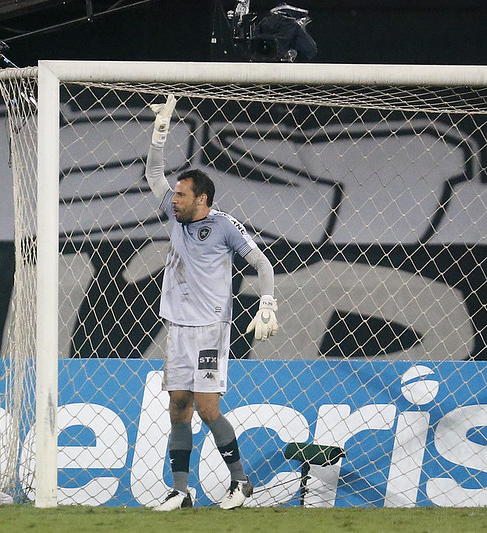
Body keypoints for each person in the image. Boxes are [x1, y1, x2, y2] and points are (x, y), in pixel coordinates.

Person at [145, 96, 278, 511]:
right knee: (178, 406)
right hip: (178, 328)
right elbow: (152, 172)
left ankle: (241, 482)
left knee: (206, 408)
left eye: (181, 195)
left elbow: (261, 261)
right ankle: (181, 491)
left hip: (209, 329)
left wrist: (268, 303)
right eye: (175, 195)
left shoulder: (223, 226)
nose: (174, 200)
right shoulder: (176, 217)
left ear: (202, 199)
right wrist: (161, 131)